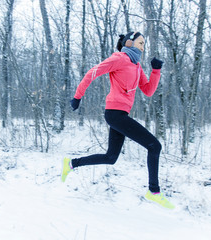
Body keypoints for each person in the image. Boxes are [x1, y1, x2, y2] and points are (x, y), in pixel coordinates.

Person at [61, 31, 174, 209]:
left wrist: (156, 71)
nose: (143, 47)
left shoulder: (136, 65)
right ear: (129, 43)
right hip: (115, 113)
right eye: (140, 43)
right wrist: (78, 96)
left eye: (144, 44)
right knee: (154, 146)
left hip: (121, 114)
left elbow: (148, 90)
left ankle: (72, 163)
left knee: (111, 157)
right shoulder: (119, 59)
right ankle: (154, 191)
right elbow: (93, 72)